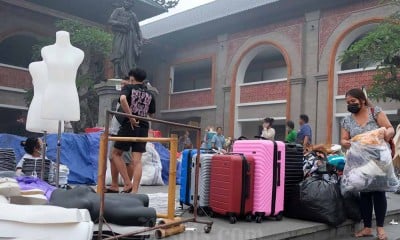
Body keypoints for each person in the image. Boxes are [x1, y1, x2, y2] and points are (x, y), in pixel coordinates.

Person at [340, 88, 394, 240]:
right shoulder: (347, 120)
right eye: (348, 103)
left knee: (378, 192)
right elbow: (344, 140)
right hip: (359, 161)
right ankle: (367, 228)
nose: (350, 104)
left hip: (378, 159)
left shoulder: (374, 112)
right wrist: (349, 143)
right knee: (364, 193)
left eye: (353, 101)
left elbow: (390, 129)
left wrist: (385, 133)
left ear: (362, 100)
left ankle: (381, 229)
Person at [111, 68, 156, 193]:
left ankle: (127, 182)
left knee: (115, 154)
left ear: (132, 79)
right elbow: (151, 114)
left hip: (129, 125)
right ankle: (135, 190)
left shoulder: (129, 88)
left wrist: (130, 117)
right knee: (137, 160)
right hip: (143, 125)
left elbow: (123, 99)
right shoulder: (149, 93)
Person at [107, 77, 134, 193]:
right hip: (115, 131)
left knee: (126, 159)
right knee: (112, 157)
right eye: (122, 84)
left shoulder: (129, 97)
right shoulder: (122, 97)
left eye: (125, 84)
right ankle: (114, 185)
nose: (123, 86)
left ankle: (128, 184)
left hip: (123, 131)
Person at [109, 0, 143, 78]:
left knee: (130, 56)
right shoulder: (118, 10)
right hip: (120, 34)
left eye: (130, 2)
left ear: (132, 4)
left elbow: (138, 29)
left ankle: (130, 74)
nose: (128, 3)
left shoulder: (133, 15)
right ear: (123, 2)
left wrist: (140, 40)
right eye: (127, 1)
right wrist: (122, 24)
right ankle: (117, 74)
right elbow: (110, 20)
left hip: (131, 37)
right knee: (118, 52)